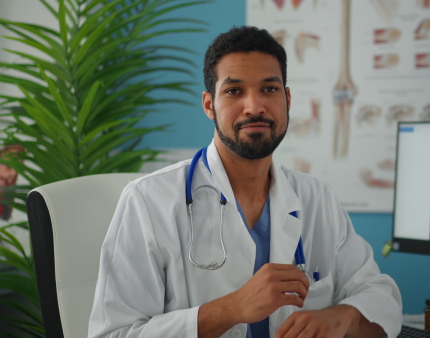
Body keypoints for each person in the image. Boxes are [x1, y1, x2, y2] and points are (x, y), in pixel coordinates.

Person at [88, 26, 402, 338]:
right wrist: (233, 309)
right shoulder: (147, 201)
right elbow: (113, 333)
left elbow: (380, 296)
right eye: (234, 91)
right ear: (209, 104)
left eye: (269, 89)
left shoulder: (316, 198)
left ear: (287, 99)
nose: (254, 106)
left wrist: (342, 317)